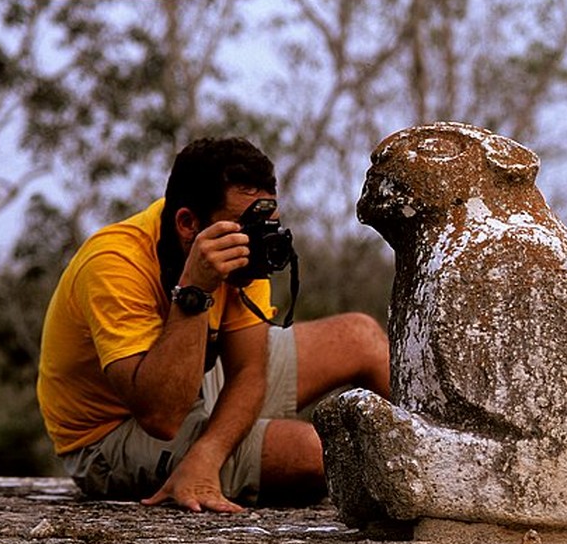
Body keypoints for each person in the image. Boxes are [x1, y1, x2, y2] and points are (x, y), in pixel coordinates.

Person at [37, 137, 391, 513]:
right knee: (314, 452)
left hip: (195, 378)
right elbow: (161, 416)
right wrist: (195, 290)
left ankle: (443, 459)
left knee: (360, 337)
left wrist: (207, 454)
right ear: (188, 223)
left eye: (266, 222)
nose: (257, 238)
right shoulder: (115, 264)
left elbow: (249, 371)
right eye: (245, 225)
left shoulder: (244, 240)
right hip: (113, 432)